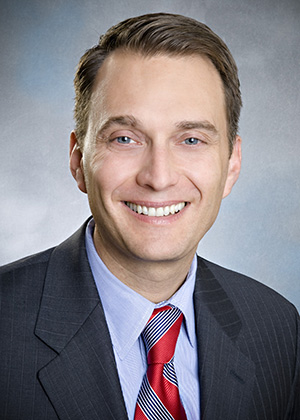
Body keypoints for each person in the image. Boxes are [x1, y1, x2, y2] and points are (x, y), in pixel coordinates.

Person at [0, 12, 299, 420]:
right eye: (125, 138)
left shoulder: (278, 328)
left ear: (231, 165)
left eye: (191, 139)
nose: (158, 177)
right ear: (78, 160)